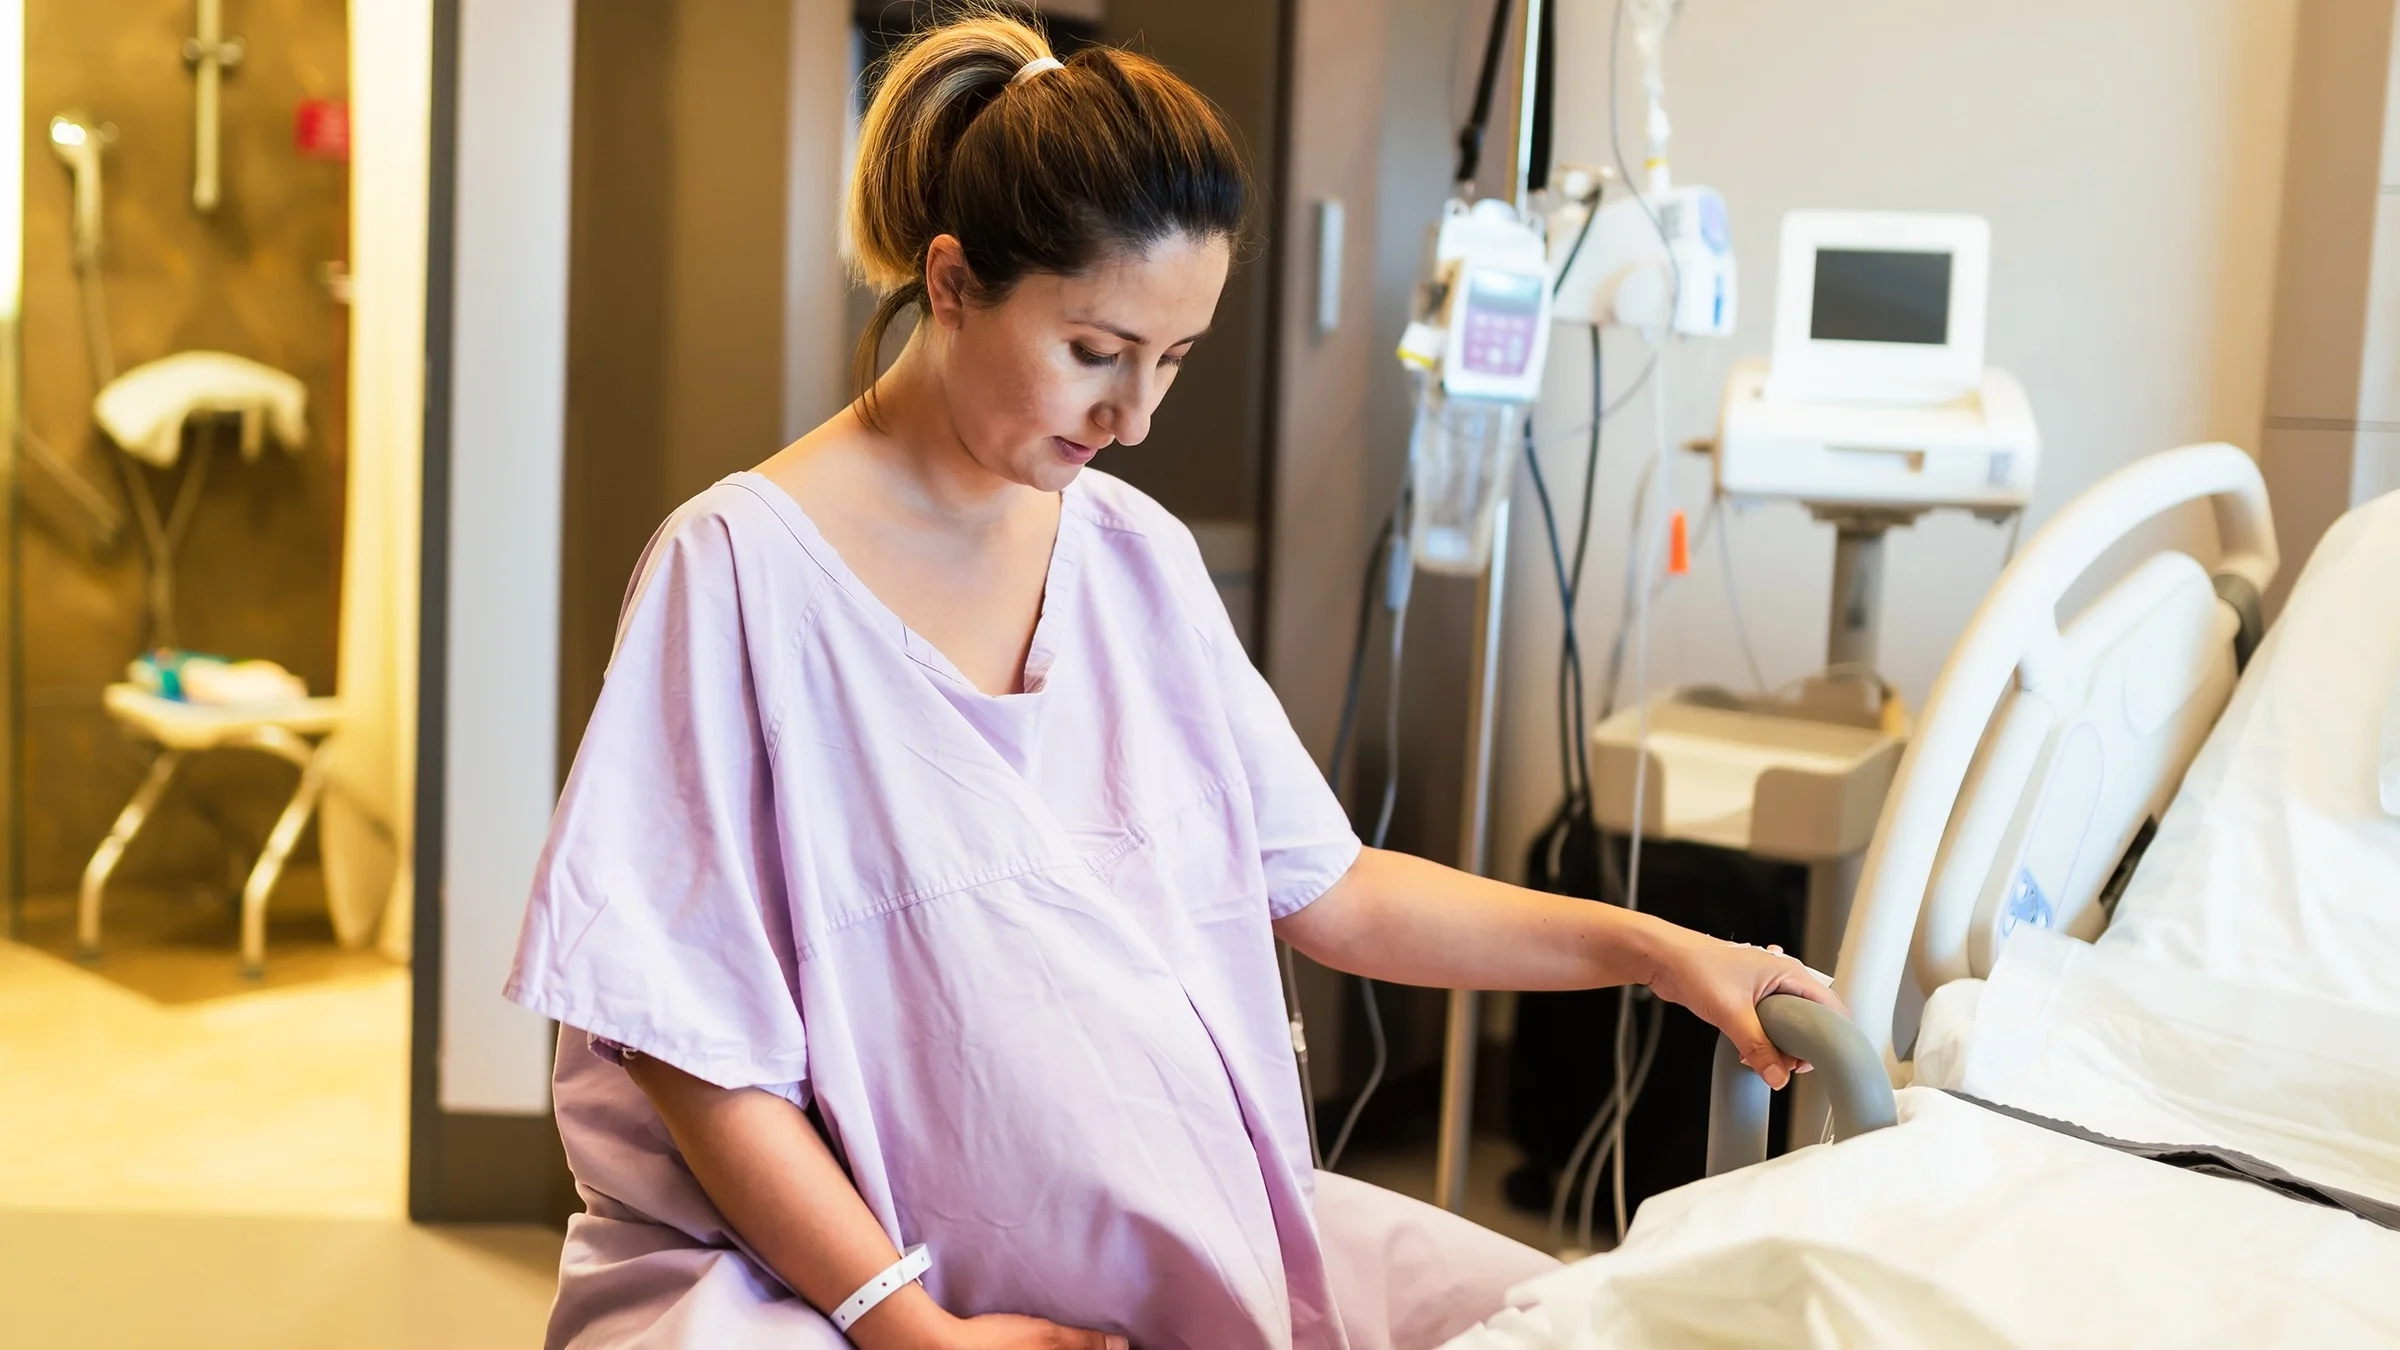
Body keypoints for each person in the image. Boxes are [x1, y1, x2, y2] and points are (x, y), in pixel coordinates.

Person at [506, 12, 1837, 1349]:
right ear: (954, 281)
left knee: (1584, 1321)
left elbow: (1337, 887)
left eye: (1174, 360)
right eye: (1095, 351)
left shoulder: (1135, 559)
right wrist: (911, 1326)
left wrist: (1660, 950)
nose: (1135, 418)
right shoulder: (738, 571)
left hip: (1145, 1231)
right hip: (811, 1284)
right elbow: (690, 1046)